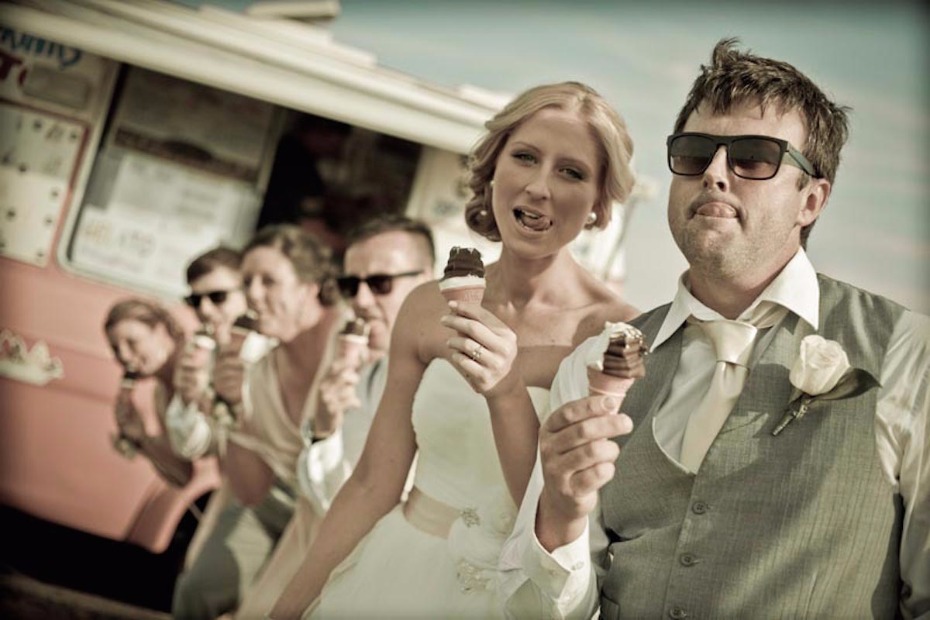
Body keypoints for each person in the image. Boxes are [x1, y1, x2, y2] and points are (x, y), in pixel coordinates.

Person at [500, 38, 929, 619]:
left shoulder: (909, 354)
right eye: (696, 152)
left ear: (811, 200)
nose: (716, 174)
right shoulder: (596, 363)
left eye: (754, 157)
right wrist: (560, 521)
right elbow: (548, 608)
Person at [270, 80, 639, 619]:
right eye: (525, 158)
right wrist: (285, 610)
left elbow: (556, 521)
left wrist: (505, 391)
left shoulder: (612, 337)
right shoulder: (425, 307)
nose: (539, 186)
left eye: (571, 171)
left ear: (599, 203)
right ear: (493, 168)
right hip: (387, 575)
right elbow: (373, 483)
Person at [233, 214, 436, 619]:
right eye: (350, 286)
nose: (360, 300)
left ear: (429, 280)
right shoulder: (364, 372)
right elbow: (328, 497)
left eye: (380, 283)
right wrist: (323, 430)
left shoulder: (445, 379)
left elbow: (370, 503)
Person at [172, 224, 340, 620]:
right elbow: (250, 490)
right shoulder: (259, 372)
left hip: (339, 511)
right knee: (196, 592)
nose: (254, 296)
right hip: (279, 502)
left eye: (270, 281)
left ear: (309, 285)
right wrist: (230, 407)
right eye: (248, 282)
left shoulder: (350, 341)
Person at [103, 298, 198, 488]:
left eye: (132, 342)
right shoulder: (161, 394)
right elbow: (183, 476)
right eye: (116, 348)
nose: (124, 356)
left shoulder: (195, 364)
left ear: (161, 331)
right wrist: (142, 439)